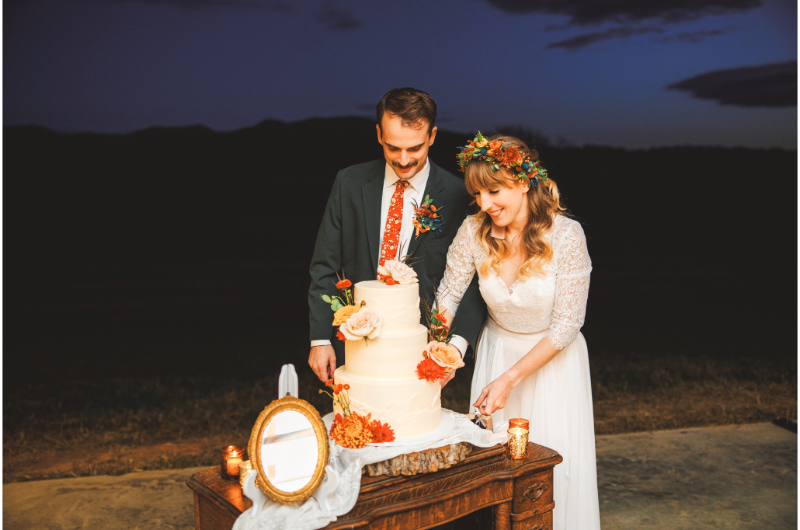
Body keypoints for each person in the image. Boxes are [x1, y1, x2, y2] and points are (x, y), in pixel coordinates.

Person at [437, 133, 600, 529]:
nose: (485, 204)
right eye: (477, 193)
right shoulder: (473, 231)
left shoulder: (566, 236)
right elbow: (448, 295)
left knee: (551, 470)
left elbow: (566, 326)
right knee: (493, 474)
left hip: (552, 365)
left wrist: (510, 379)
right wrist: (436, 349)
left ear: (524, 182)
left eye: (494, 191)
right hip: (496, 354)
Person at [307, 88, 486, 384]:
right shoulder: (348, 183)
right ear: (378, 134)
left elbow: (474, 280)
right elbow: (324, 265)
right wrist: (320, 340)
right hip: (351, 343)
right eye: (393, 148)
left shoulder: (459, 195)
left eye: (415, 148)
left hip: (423, 350)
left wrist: (455, 347)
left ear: (432, 136)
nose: (403, 160)